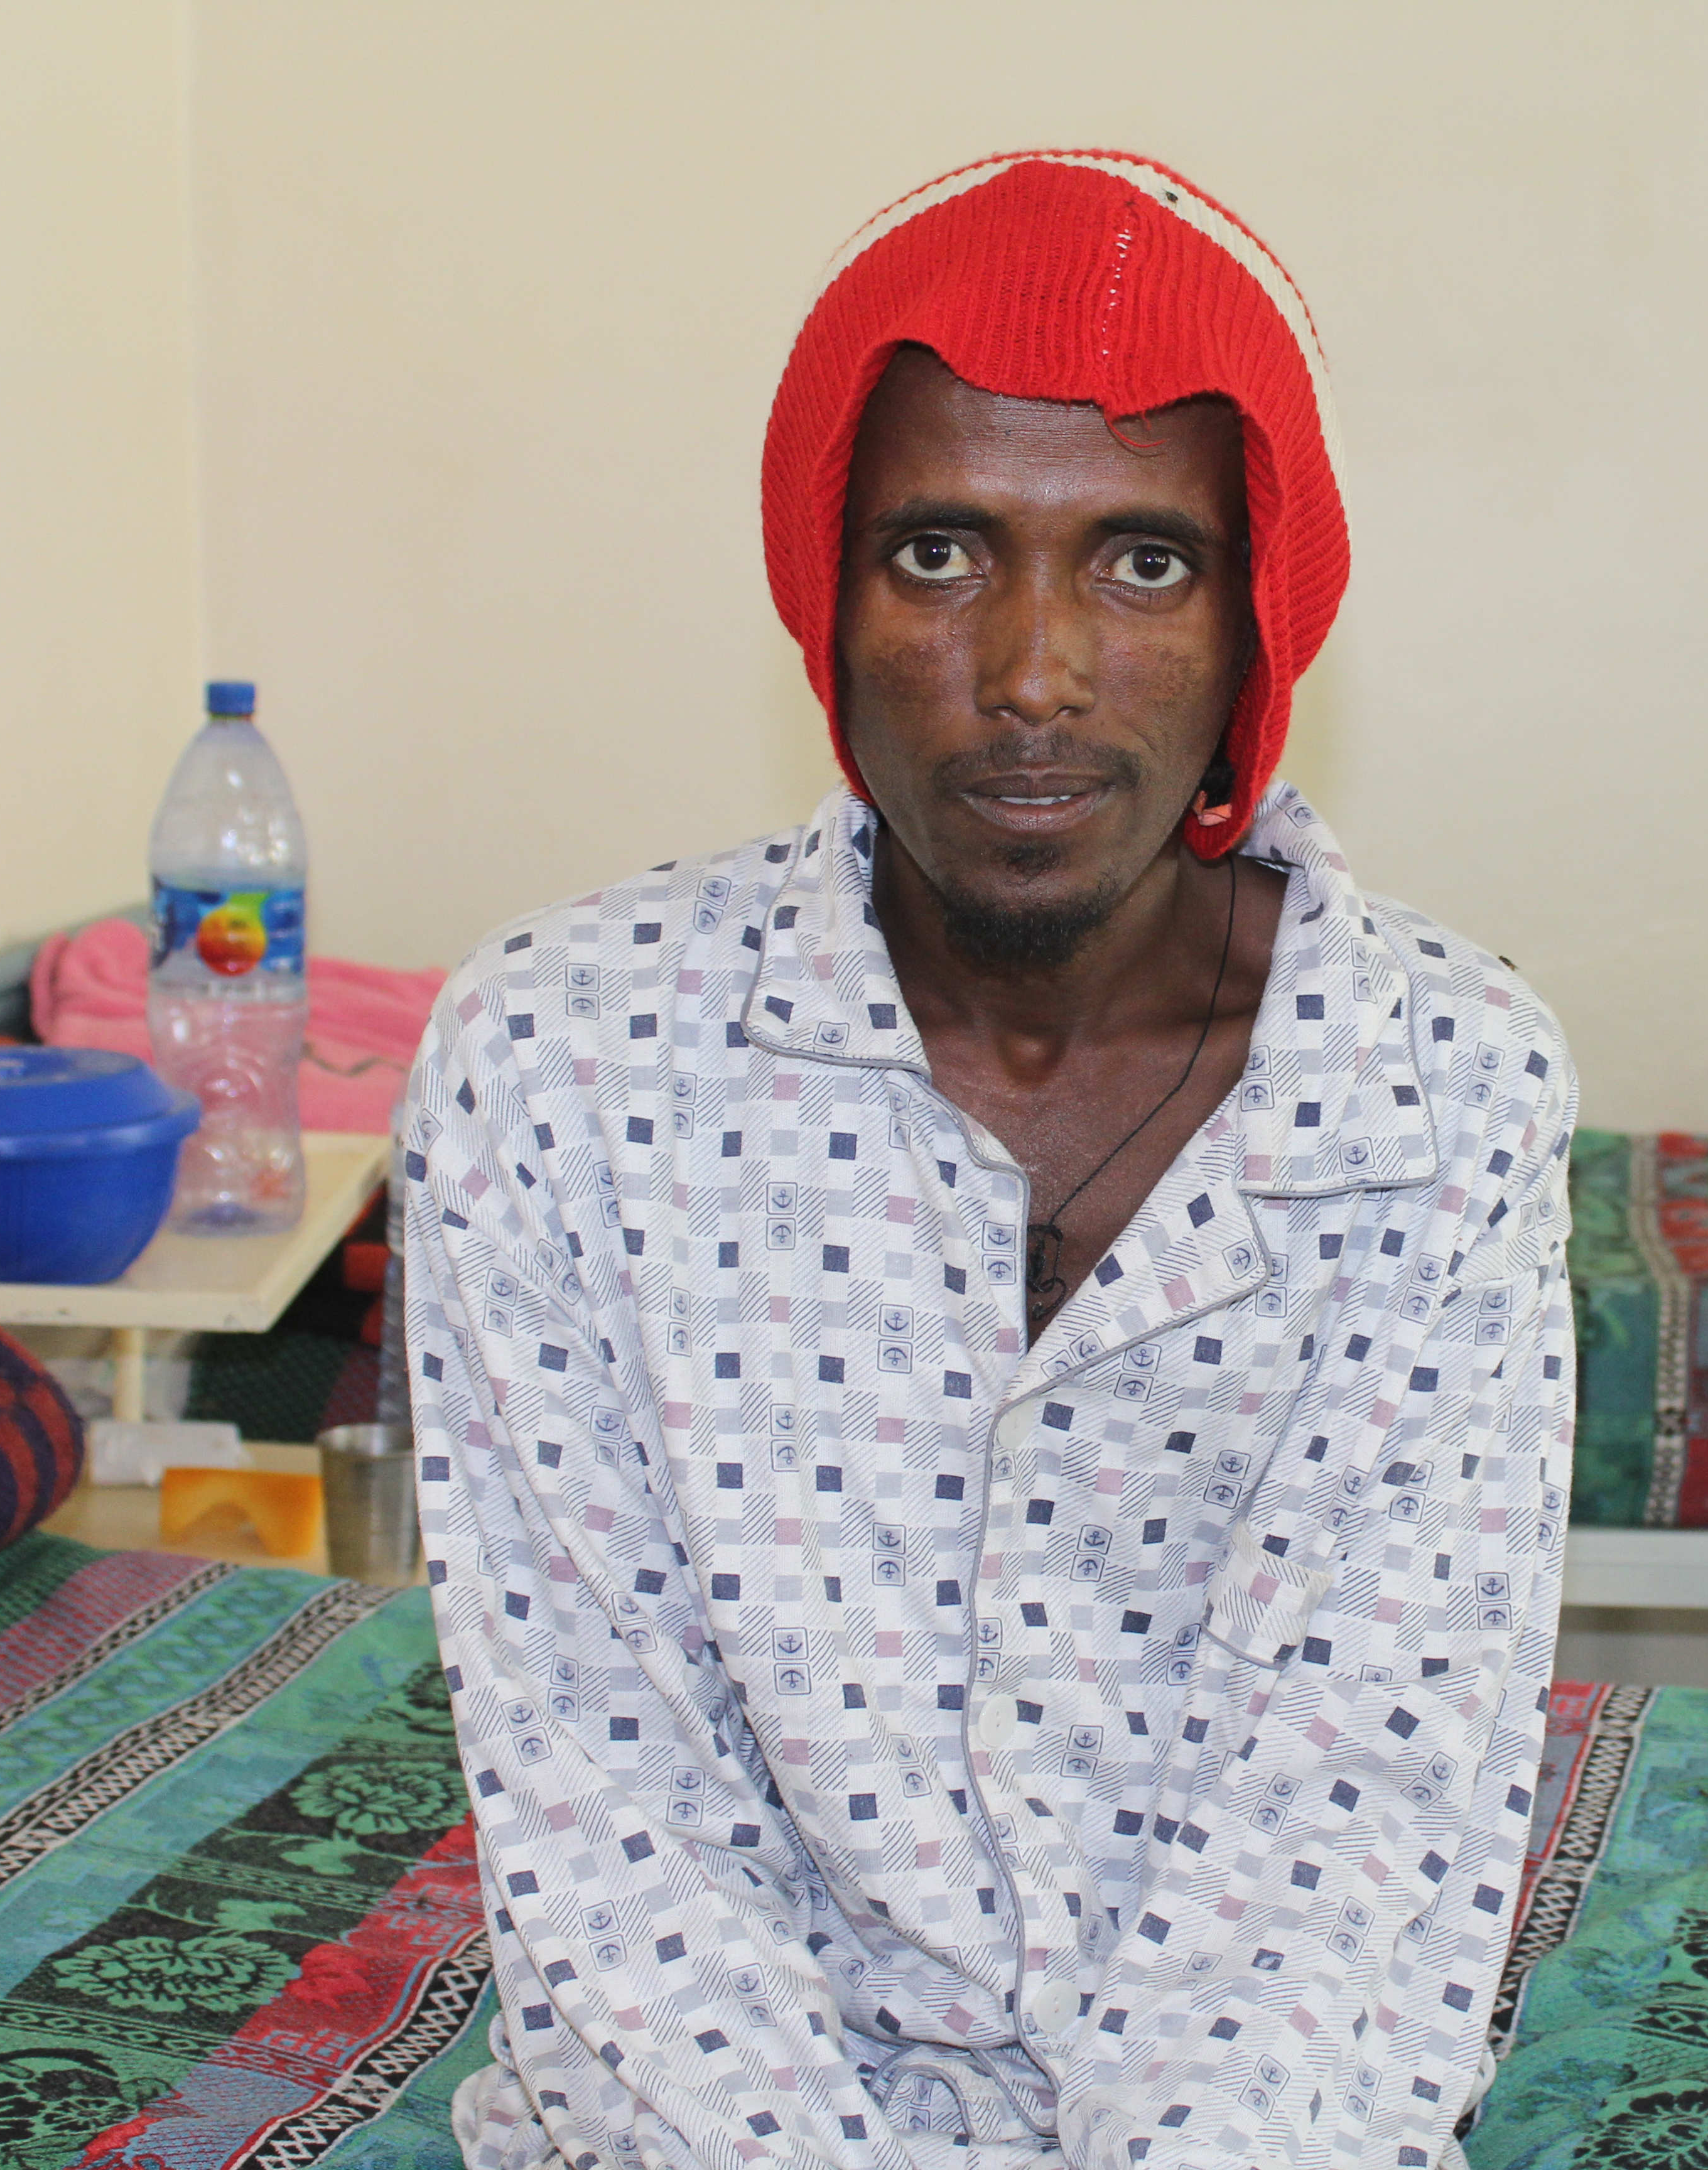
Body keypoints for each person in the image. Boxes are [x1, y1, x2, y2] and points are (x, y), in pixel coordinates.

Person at [403, 150, 1577, 2170]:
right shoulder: (556, 1070)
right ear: (824, 599)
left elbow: (1344, 1814)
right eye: (942, 554)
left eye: (1141, 564)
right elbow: (614, 1824)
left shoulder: (1440, 1093)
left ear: (1253, 633)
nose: (1032, 671)